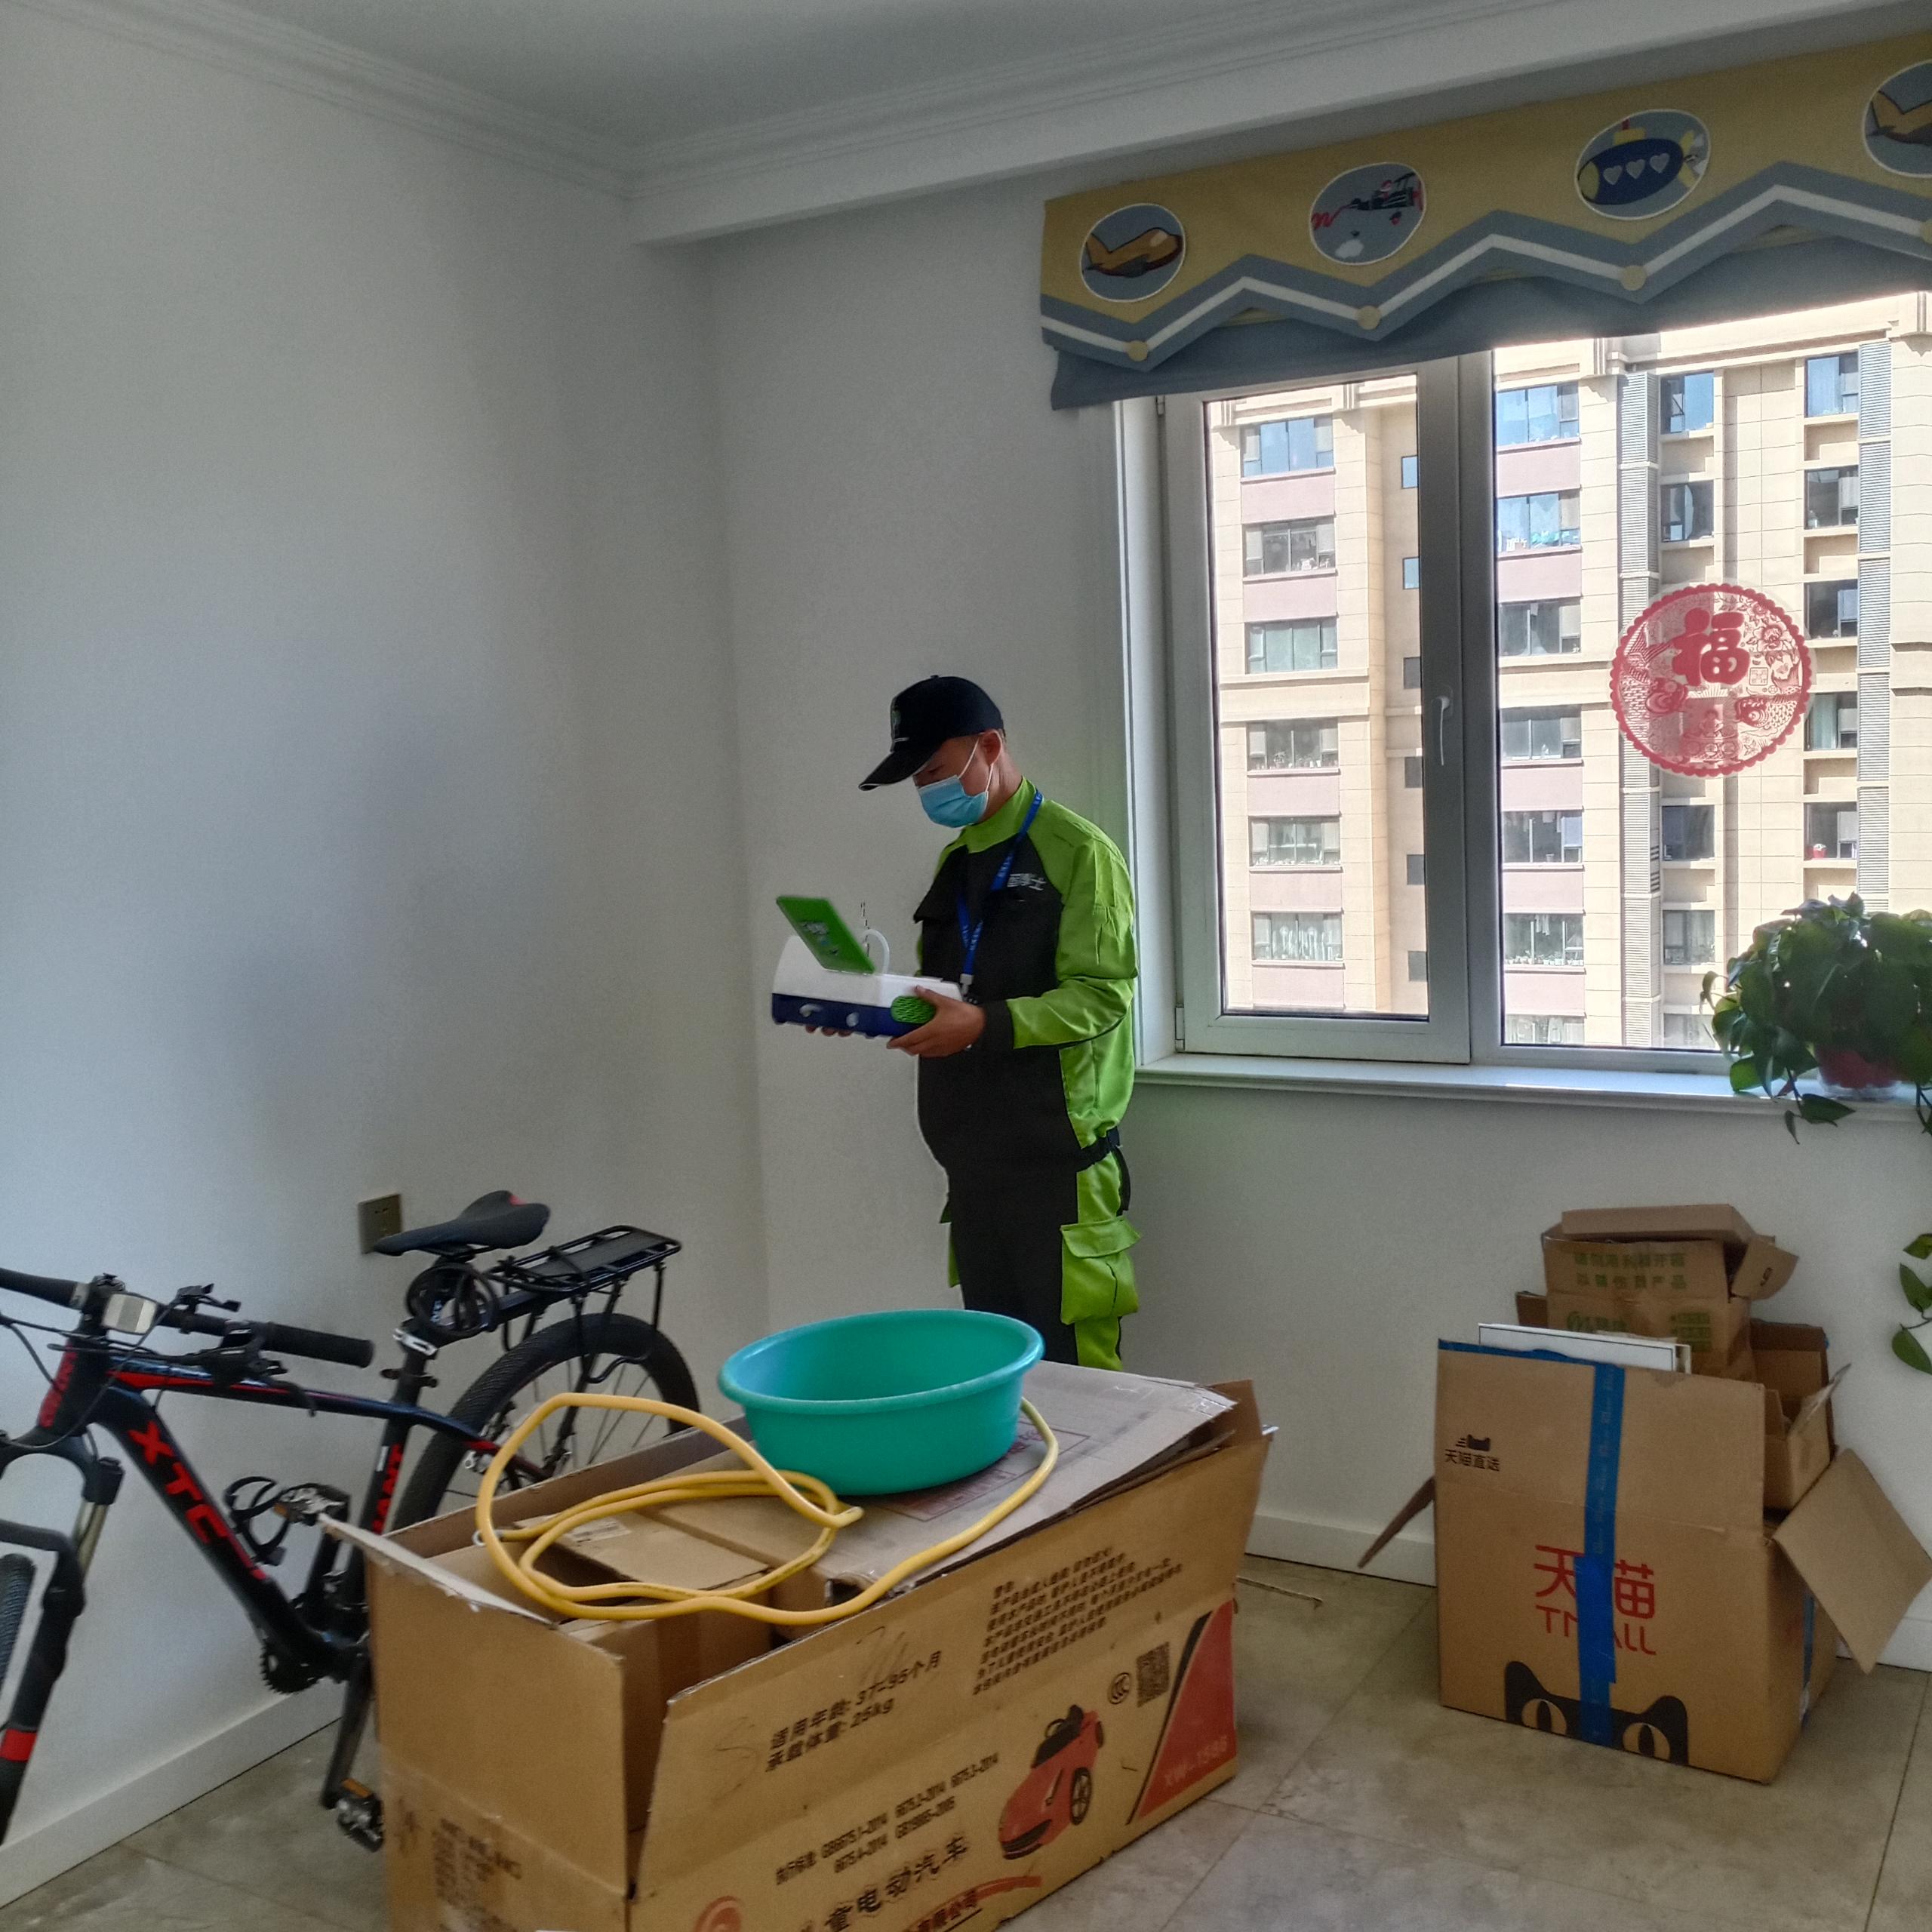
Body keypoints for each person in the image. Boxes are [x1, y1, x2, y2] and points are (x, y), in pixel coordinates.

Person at [859, 675, 1139, 1371]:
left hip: (1058, 1176)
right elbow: (953, 994)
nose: (926, 789)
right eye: (917, 779)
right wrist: (873, 1011)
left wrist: (985, 1026)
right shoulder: (958, 859)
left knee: (1079, 1389)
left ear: (989, 746)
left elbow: (1104, 997)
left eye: (934, 770)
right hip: (973, 1171)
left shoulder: (1078, 852)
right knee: (999, 1382)